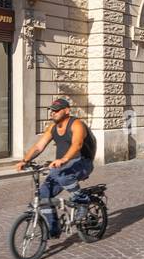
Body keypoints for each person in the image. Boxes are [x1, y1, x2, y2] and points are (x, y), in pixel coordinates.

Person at [16, 98, 95, 237]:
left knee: (60, 173)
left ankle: (82, 201)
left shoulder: (77, 124)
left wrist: (64, 159)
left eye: (56, 110)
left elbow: (77, 145)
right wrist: (25, 160)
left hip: (82, 162)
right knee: (43, 195)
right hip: (62, 166)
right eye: (51, 111)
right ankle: (54, 228)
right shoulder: (52, 128)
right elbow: (39, 146)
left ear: (66, 111)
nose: (53, 113)